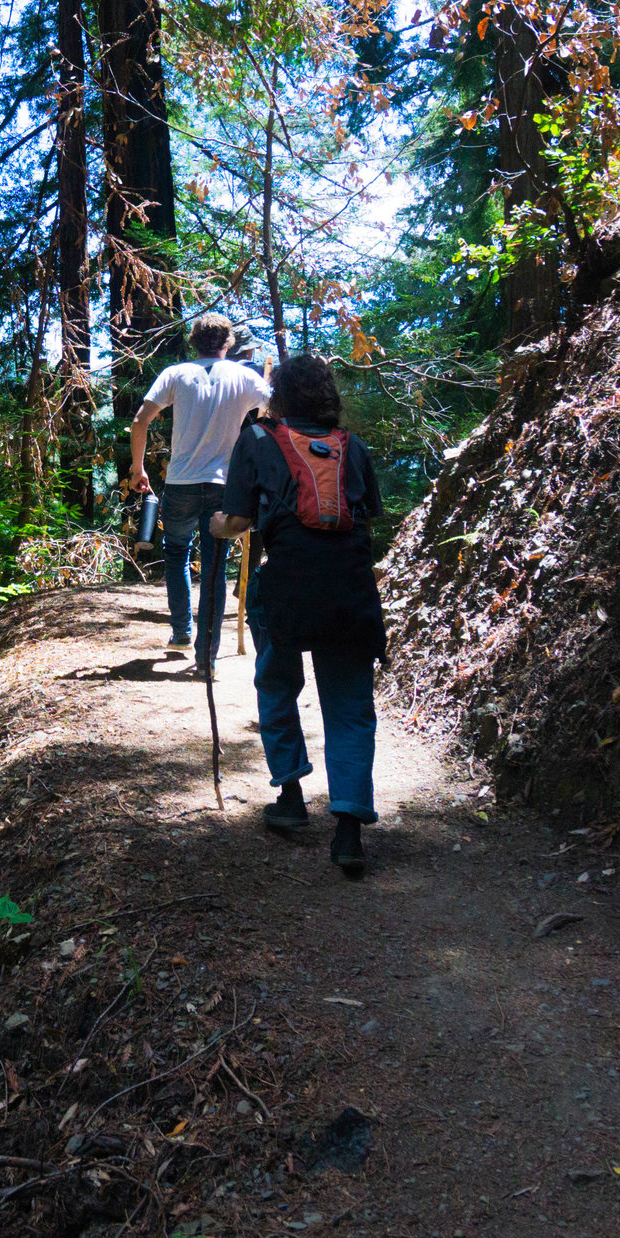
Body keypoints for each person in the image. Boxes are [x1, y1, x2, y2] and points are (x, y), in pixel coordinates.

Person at [209, 353, 386, 876]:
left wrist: (219, 523)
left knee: (278, 686)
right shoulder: (354, 448)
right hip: (351, 590)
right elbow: (366, 514)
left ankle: (290, 798)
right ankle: (349, 831)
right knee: (350, 705)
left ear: (278, 395)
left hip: (287, 586)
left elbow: (238, 519)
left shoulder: (260, 439)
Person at [128, 314, 270, 666]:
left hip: (180, 481)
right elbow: (275, 415)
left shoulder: (176, 374)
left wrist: (138, 468)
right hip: (226, 486)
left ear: (193, 341)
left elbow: (139, 421)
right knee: (215, 567)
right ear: (229, 343)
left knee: (176, 555)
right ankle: (207, 657)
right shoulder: (244, 377)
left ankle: (181, 633)